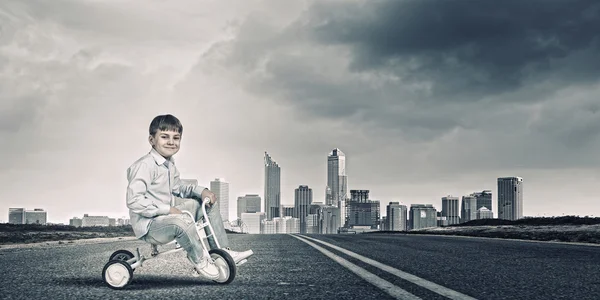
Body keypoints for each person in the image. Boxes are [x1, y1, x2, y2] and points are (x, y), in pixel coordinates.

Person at [126, 114, 253, 280]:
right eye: (164, 137)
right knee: (181, 222)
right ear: (152, 140)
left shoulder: (169, 164)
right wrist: (167, 209)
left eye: (176, 138)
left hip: (166, 217)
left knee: (207, 204)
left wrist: (202, 191)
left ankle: (222, 252)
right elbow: (134, 200)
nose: (171, 142)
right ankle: (200, 261)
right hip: (150, 226)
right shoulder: (144, 166)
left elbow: (179, 187)